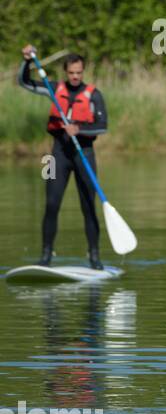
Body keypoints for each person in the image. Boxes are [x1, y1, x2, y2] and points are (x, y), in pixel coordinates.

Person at [19, 46, 110, 269]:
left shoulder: (94, 95)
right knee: (51, 203)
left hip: (85, 155)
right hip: (55, 156)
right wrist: (28, 62)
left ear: (83, 71)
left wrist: (79, 130)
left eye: (79, 72)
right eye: (71, 73)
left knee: (88, 206)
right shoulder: (54, 88)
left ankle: (94, 257)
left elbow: (102, 127)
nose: (76, 76)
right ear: (66, 72)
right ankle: (46, 257)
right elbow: (24, 82)